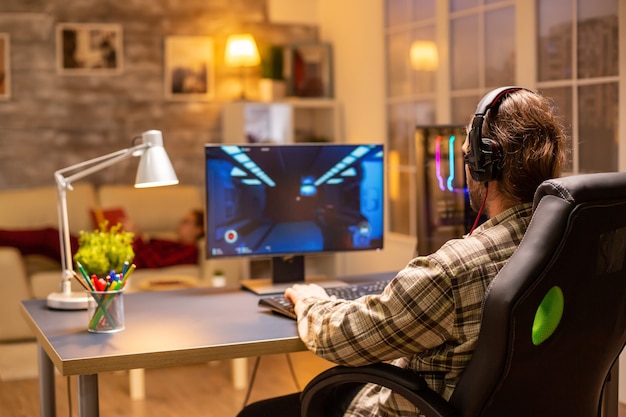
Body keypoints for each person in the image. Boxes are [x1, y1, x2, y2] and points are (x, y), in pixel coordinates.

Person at [236, 87, 567, 417]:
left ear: (485, 166)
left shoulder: (450, 271)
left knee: (257, 413)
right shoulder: (569, 245)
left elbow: (344, 338)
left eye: (467, 156)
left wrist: (310, 301)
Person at [0, 209, 204, 269]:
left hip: (110, 262)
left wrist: (134, 237)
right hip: (107, 249)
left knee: (49, 235)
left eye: (186, 222)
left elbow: (151, 261)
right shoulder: (172, 242)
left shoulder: (189, 251)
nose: (180, 224)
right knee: (44, 247)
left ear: (198, 229)